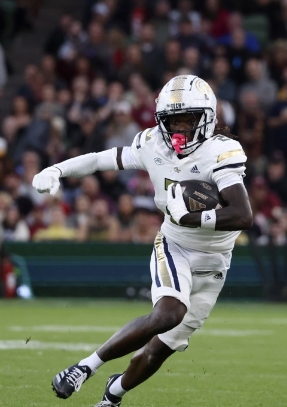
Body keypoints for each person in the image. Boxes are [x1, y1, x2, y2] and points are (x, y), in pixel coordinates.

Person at [33, 75, 253, 406]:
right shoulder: (153, 144)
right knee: (168, 313)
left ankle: (112, 395)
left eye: (187, 119)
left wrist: (193, 216)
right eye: (172, 120)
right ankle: (83, 368)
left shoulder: (221, 152)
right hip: (175, 245)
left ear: (206, 118)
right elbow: (100, 159)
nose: (179, 128)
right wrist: (57, 170)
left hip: (216, 262)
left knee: (158, 351)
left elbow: (242, 214)